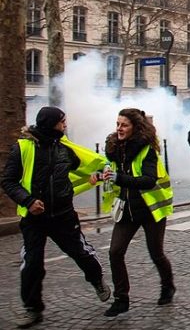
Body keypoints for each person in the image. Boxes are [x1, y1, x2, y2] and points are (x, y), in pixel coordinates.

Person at [1, 106, 111, 328]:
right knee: (32, 263)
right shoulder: (22, 148)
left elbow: (84, 169)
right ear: (51, 123)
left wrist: (99, 175)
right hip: (34, 219)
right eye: (62, 121)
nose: (65, 125)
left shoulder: (65, 149)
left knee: (81, 253)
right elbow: (8, 181)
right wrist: (28, 201)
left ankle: (96, 279)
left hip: (63, 216)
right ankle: (32, 309)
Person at [92, 108, 175, 317]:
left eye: (124, 125)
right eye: (118, 124)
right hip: (126, 210)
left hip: (150, 209)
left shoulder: (147, 150)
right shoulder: (113, 147)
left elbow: (148, 180)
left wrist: (118, 178)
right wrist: (99, 175)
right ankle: (122, 299)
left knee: (156, 253)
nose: (119, 128)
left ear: (135, 128)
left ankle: (168, 286)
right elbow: (109, 170)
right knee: (115, 252)